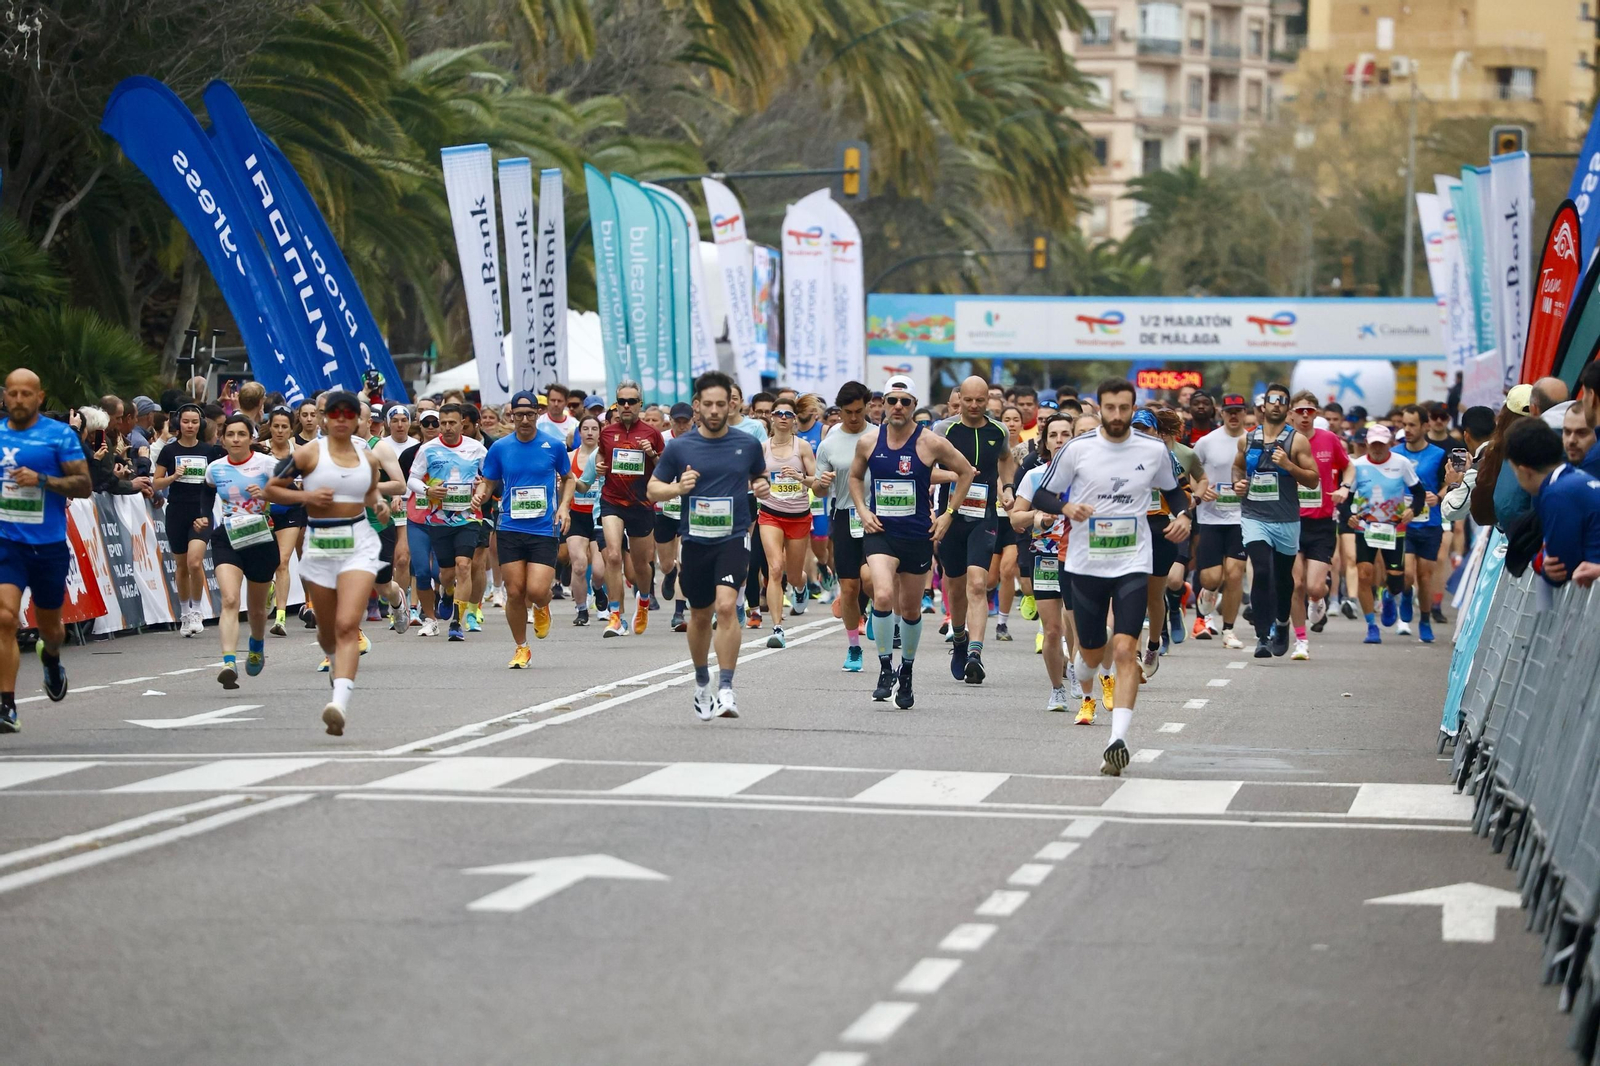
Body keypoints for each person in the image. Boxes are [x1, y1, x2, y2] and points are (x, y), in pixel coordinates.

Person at [1041, 379, 1189, 776]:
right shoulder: (1078, 449)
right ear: (1101, 408)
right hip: (1086, 564)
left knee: (1125, 649)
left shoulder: (1153, 450)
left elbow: (1176, 493)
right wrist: (1067, 506)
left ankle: (1117, 740)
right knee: (1092, 652)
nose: (1118, 416)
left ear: (1133, 406)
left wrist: (1184, 516)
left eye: (1125, 408)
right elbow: (1042, 495)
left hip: (1132, 560)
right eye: (1111, 408)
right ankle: (1086, 673)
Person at [849, 375, 977, 710]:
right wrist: (863, 510)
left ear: (914, 406)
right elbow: (854, 476)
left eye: (905, 402)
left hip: (918, 536)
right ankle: (885, 668)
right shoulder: (868, 442)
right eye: (892, 400)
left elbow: (966, 472)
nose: (897, 407)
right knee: (882, 593)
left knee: (909, 609)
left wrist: (949, 513)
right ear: (884, 404)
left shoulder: (930, 442)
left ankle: (906, 671)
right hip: (880, 533)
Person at [649, 371, 771, 720]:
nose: (716, 410)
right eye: (709, 404)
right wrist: (676, 488)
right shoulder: (679, 447)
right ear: (698, 406)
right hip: (696, 540)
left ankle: (727, 688)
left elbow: (758, 476)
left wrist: (761, 487)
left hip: (733, 538)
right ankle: (702, 681)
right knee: (700, 616)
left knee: (727, 606)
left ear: (731, 404)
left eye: (722, 403)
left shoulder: (746, 444)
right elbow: (653, 490)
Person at [266, 390, 386, 735]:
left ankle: (339, 703)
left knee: (348, 624)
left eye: (349, 414)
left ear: (358, 420)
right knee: (327, 630)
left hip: (359, 542)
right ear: (325, 418)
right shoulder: (308, 454)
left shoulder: (369, 458)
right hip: (319, 544)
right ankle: (335, 663)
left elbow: (370, 491)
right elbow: (273, 488)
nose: (342, 420)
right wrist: (305, 496)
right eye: (335, 414)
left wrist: (377, 504)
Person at [0, 369, 90, 729]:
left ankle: (51, 658)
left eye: (26, 393)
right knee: (4, 618)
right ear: (5, 396)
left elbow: (84, 484)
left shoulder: (58, 436)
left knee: (52, 629)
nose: (19, 400)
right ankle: (7, 705)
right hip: (7, 543)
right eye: (13, 393)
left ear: (40, 396)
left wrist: (41, 479)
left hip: (48, 546)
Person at [476, 391, 571, 668]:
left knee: (538, 590)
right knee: (515, 591)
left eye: (530, 414)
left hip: (544, 527)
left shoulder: (553, 446)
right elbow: (489, 481)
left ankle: (542, 606)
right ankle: (521, 647)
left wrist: (564, 506)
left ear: (538, 415)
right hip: (510, 527)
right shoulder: (500, 448)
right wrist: (481, 494)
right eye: (520, 415)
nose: (525, 420)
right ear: (512, 416)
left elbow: (568, 478)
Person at [1230, 383, 1320, 659]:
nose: (1277, 405)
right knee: (1262, 571)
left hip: (1286, 519)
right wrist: (1238, 484)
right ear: (1264, 406)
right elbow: (1236, 468)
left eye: (1282, 401)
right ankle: (1262, 636)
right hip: (1254, 516)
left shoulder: (1297, 441)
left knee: (1283, 579)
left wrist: (1289, 466)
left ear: (1288, 409)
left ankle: (1282, 624)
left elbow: (1313, 479)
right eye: (1273, 401)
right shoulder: (1247, 439)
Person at [939, 377, 1015, 684]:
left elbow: (1006, 459)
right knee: (955, 587)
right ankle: (959, 637)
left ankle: (975, 653)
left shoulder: (998, 431)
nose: (973, 406)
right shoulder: (944, 430)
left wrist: (1007, 486)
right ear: (959, 398)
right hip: (951, 516)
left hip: (984, 516)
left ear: (988, 401)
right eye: (967, 400)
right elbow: (927, 467)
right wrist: (957, 475)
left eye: (979, 401)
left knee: (977, 582)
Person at [581, 380, 664, 638]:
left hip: (640, 503)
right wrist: (601, 466)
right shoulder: (607, 432)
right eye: (622, 402)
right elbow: (601, 458)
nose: (626, 406)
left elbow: (664, 468)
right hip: (612, 500)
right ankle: (615, 615)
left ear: (640, 403)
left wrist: (651, 455)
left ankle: (644, 601)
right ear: (616, 404)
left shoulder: (652, 433)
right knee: (613, 556)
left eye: (632, 401)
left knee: (641, 564)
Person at [204, 415, 278, 689]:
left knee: (257, 611)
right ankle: (228, 661)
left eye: (241, 434)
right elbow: (206, 492)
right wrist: (202, 517)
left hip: (260, 539)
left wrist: (267, 493)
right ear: (222, 438)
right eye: (230, 434)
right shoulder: (215, 468)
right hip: (228, 538)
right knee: (230, 599)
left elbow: (293, 492)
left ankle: (256, 644)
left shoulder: (267, 464)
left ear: (251, 438)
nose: (235, 439)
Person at [1010, 413, 1077, 714]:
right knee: (1052, 630)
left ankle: (1077, 671)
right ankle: (1057, 689)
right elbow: (1015, 518)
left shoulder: (1087, 475)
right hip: (1046, 556)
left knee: (1078, 625)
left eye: (1066, 434)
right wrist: (1036, 517)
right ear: (1045, 441)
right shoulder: (1035, 476)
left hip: (1081, 557)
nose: (1060, 440)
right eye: (1054, 435)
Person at [407, 402, 489, 642]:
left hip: (468, 517)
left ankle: (456, 621)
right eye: (443, 424)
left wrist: (480, 492)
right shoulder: (428, 449)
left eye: (452, 423)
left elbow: (490, 478)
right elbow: (411, 480)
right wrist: (427, 491)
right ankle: (447, 592)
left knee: (464, 565)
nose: (447, 428)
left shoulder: (477, 449)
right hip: (438, 519)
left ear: (462, 422)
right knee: (445, 573)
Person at [1341, 424, 1425, 644]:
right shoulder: (1357, 466)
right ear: (1367, 444)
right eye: (1373, 444)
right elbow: (1345, 498)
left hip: (1393, 529)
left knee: (1397, 580)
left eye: (1381, 444)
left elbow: (1419, 493)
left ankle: (1389, 596)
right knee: (1364, 574)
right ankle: (1371, 626)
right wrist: (1348, 516)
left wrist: (1412, 510)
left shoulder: (1401, 463)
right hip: (1365, 528)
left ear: (1389, 444)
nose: (1377, 449)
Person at [815, 381, 874, 672]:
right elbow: (817, 490)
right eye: (847, 412)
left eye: (859, 411)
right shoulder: (828, 444)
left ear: (867, 407)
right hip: (844, 516)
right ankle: (853, 647)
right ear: (839, 410)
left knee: (875, 581)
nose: (853, 417)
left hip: (878, 517)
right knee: (850, 588)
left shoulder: (880, 436)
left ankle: (878, 610)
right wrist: (820, 483)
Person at [153, 404, 224, 636]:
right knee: (181, 566)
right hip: (176, 512)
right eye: (186, 422)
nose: (190, 426)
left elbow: (215, 484)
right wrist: (174, 476)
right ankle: (183, 613)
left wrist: (206, 512)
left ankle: (196, 610)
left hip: (201, 513)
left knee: (195, 562)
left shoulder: (209, 451)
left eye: (194, 422)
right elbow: (156, 482)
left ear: (200, 424)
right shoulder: (169, 451)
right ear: (178, 424)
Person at [1289, 391, 1350, 658]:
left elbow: (1348, 467)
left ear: (1316, 414)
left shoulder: (1329, 439)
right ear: (1291, 413)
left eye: (1310, 411)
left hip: (1322, 523)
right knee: (1296, 583)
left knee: (1314, 587)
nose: (1305, 416)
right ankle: (1300, 640)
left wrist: (1345, 487)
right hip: (1290, 521)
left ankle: (1318, 599)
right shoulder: (1283, 441)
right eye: (1300, 411)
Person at [754, 395, 817, 649]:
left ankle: (800, 588)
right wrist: (758, 485)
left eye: (788, 414)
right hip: (770, 513)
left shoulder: (801, 447)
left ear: (794, 420)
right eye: (778, 413)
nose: (782, 418)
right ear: (771, 417)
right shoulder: (762, 448)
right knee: (775, 569)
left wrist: (801, 477)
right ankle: (778, 628)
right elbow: (755, 477)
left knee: (792, 574)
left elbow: (816, 480)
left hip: (798, 516)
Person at [1507, 419, 1600, 588]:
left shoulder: (1556, 494)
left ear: (1524, 471)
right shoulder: (1575, 477)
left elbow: (1561, 568)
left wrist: (1538, 561)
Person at [1191, 394, 1248, 648]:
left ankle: (1229, 630)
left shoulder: (1253, 441)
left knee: (1235, 574)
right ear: (1221, 413)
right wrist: (1200, 490)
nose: (1233, 415)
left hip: (1242, 516)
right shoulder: (1206, 442)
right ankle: (1210, 593)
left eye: (1238, 411)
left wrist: (1247, 486)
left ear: (1245, 413)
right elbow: (1189, 473)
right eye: (1229, 411)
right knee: (1211, 578)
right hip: (1211, 517)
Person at [1395, 404, 1448, 641]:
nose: (1407, 429)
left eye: (1412, 425)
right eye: (1404, 425)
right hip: (1403, 523)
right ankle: (1406, 594)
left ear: (1425, 426)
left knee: (1425, 576)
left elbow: (1451, 483)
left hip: (1430, 523)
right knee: (1407, 574)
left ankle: (1425, 620)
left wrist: (1439, 495)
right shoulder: (1395, 453)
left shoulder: (1437, 455)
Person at [263, 407, 304, 636]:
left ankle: (280, 618)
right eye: (276, 426)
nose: (279, 431)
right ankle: (268, 586)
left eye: (284, 427)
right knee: (266, 563)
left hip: (291, 512)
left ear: (291, 429)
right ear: (270, 427)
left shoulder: (299, 453)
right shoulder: (261, 452)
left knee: (283, 561)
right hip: (265, 513)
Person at [565, 415, 604, 627]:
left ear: (600, 432)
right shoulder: (570, 457)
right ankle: (581, 610)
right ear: (579, 433)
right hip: (577, 515)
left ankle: (598, 590)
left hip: (599, 515)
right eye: (585, 429)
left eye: (594, 429)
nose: (589, 432)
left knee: (599, 571)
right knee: (579, 566)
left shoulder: (606, 457)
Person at [1441, 405, 1496, 523]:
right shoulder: (1510, 450)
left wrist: (1454, 484)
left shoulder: (1479, 468)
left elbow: (1451, 511)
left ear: (1466, 436)